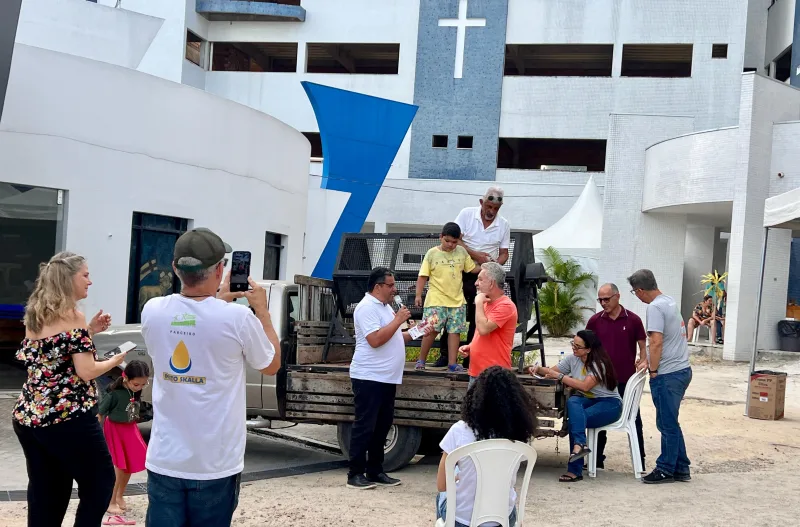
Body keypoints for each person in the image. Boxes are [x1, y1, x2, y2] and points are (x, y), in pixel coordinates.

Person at [141, 228, 281, 525]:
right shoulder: (238, 318)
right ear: (220, 269)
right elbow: (270, 364)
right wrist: (263, 313)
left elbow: (194, 319)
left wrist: (220, 299)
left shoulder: (152, 310)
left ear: (176, 268)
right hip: (215, 462)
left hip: (165, 458)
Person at [12, 251, 124, 526]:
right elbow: (85, 371)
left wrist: (89, 331)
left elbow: (56, 354)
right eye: (85, 275)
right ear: (67, 279)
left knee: (46, 490)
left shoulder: (37, 314)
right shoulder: (72, 315)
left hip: (30, 417)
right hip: (67, 417)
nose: (90, 281)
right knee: (100, 482)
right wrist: (114, 360)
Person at [348, 267, 432, 489]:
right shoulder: (366, 308)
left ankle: (375, 470)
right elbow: (375, 340)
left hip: (387, 377)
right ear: (378, 287)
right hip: (369, 376)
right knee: (364, 426)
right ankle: (355, 473)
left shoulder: (385, 308)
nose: (395, 290)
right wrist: (397, 320)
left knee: (382, 426)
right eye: (391, 285)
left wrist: (419, 330)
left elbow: (396, 337)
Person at [435, 366, 538, 527]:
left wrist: (457, 478)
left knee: (449, 481)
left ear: (476, 396)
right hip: (503, 519)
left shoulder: (460, 430)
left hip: (462, 519)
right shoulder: (519, 435)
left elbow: (442, 485)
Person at [528, 330, 621, 482]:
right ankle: (580, 446)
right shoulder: (573, 359)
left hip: (609, 404)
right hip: (588, 401)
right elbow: (552, 371)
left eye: (578, 346)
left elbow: (585, 386)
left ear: (589, 349)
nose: (574, 348)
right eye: (573, 344)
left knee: (576, 419)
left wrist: (560, 377)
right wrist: (537, 369)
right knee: (573, 402)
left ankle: (575, 469)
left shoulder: (599, 364)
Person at [628, 269, 692, 484]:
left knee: (666, 424)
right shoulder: (669, 301)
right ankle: (681, 467)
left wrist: (653, 369)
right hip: (682, 369)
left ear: (640, 290)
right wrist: (649, 361)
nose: (636, 296)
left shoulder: (655, 308)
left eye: (634, 292)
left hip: (668, 373)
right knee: (671, 421)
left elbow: (656, 341)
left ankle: (665, 468)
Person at [435, 187, 511, 369]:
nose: (491, 211)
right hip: (460, 271)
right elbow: (456, 240)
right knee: (452, 310)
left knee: (479, 313)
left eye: (496, 208)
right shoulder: (466, 214)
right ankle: (446, 355)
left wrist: (494, 266)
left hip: (484, 275)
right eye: (489, 206)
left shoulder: (504, 224)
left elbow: (504, 253)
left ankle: (471, 356)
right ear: (481, 203)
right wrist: (476, 254)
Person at [586, 283, 647, 470]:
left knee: (634, 420)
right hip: (600, 382)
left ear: (617, 297)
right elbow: (585, 346)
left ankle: (640, 461)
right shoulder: (595, 321)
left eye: (606, 299)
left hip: (625, 380)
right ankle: (596, 461)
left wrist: (643, 361)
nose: (603, 303)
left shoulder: (633, 320)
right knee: (598, 420)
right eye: (600, 300)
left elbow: (643, 346)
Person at [415, 222, 478, 372]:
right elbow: (423, 275)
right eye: (447, 241)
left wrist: (487, 267)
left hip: (457, 301)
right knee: (430, 330)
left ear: (458, 241)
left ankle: (452, 362)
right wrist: (418, 295)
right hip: (436, 299)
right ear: (441, 237)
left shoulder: (461, 252)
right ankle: (421, 360)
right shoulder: (432, 253)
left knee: (454, 331)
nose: (450, 245)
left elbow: (471, 268)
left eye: (454, 242)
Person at [98, 360, 151, 522]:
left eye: (143, 384)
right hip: (115, 428)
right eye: (136, 384)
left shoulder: (134, 391)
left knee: (130, 462)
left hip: (130, 427)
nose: (139, 387)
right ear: (126, 378)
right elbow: (101, 413)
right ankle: (110, 500)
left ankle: (120, 495)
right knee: (119, 464)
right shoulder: (114, 393)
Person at [457, 262, 518, 385]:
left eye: (480, 279)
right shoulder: (485, 303)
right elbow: (481, 332)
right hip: (475, 372)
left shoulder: (505, 305)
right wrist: (472, 346)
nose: (476, 283)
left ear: (491, 283)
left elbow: (484, 329)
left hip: (495, 376)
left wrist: (478, 302)